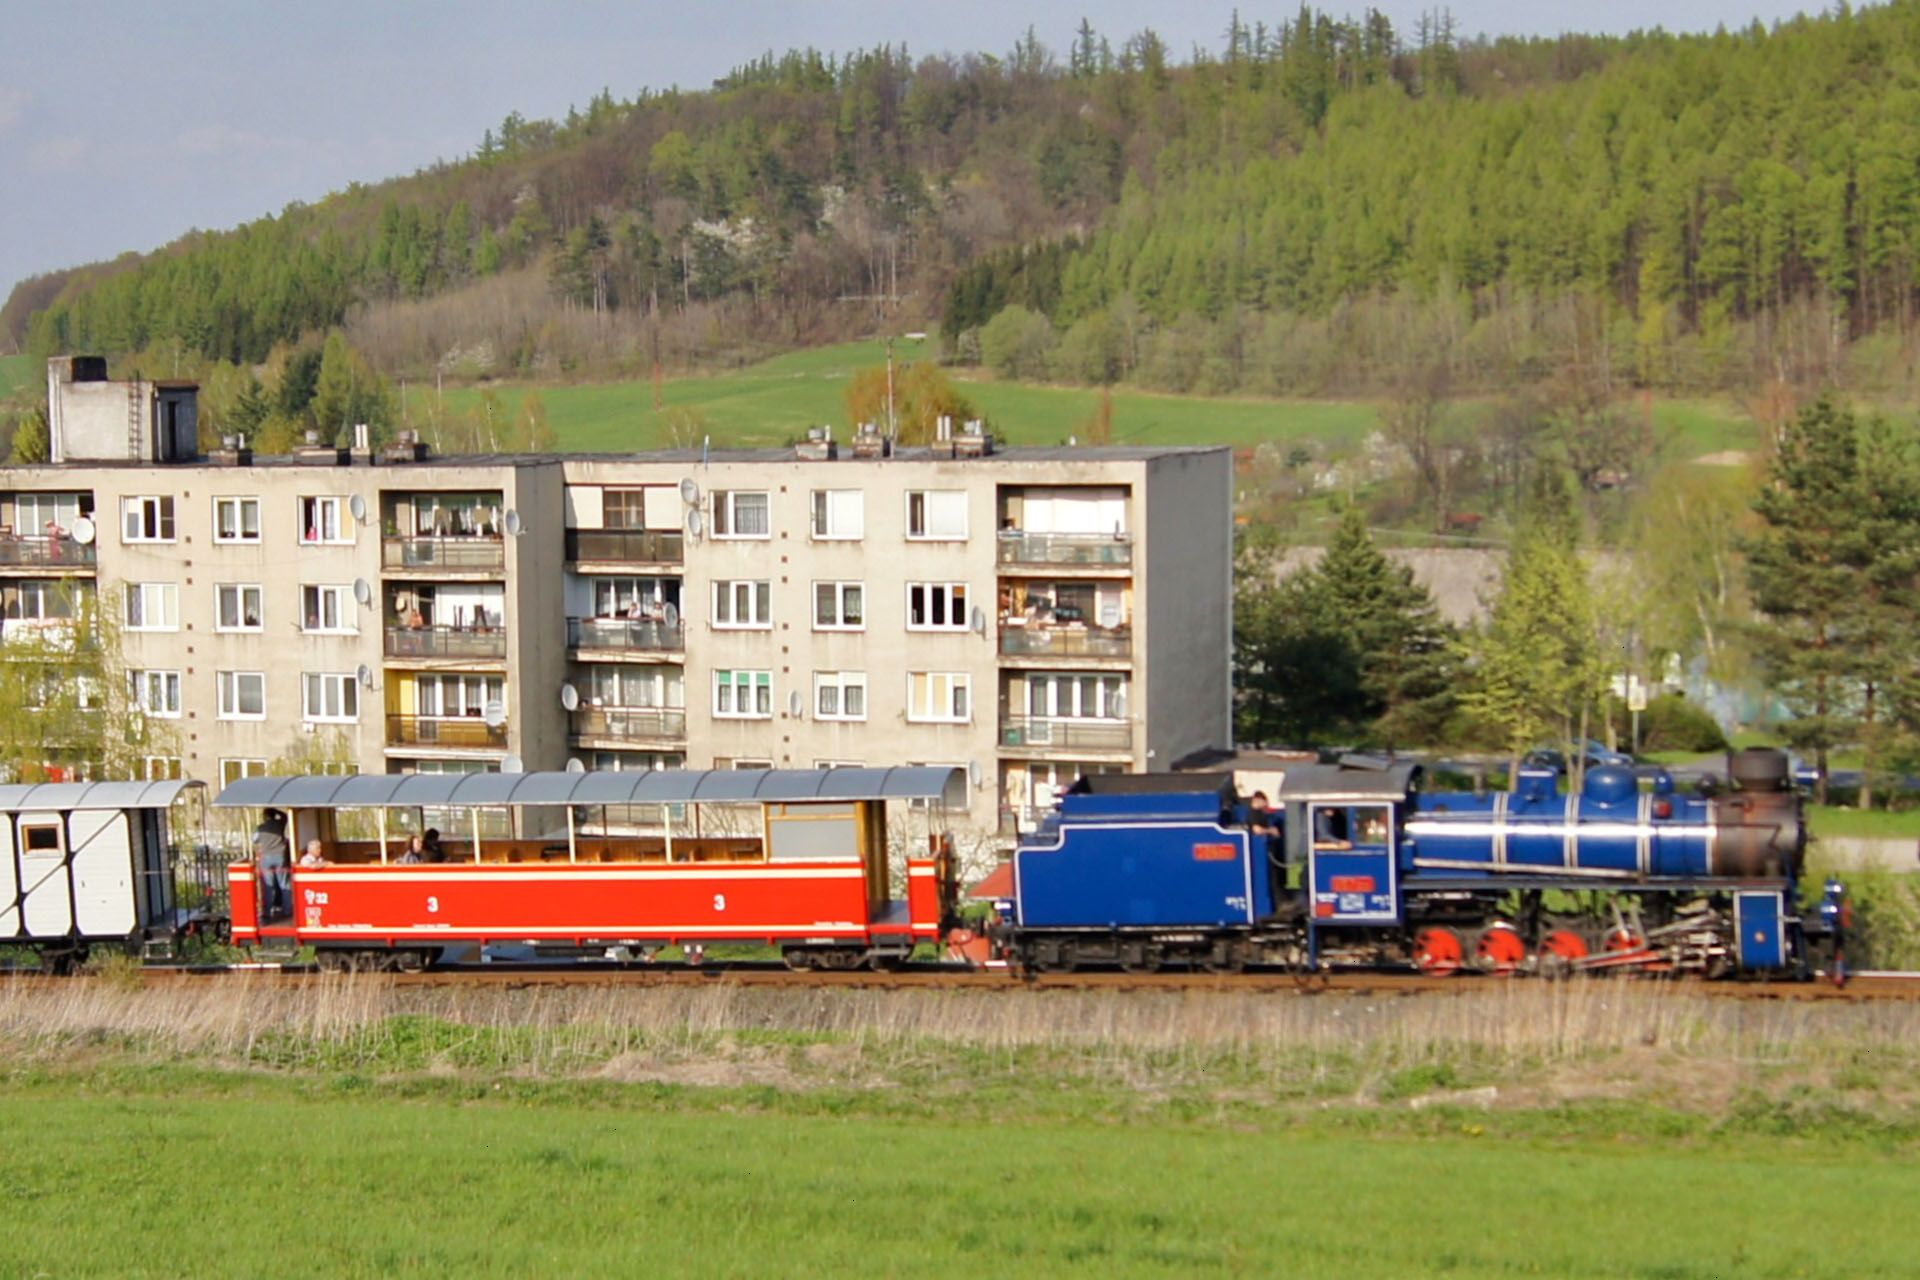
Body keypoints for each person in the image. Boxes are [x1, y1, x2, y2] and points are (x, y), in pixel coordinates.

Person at [251, 809, 290, 920]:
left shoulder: (261, 828)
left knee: (268, 886)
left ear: (265, 817)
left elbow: (254, 840)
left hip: (266, 858)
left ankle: (267, 912)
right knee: (284, 883)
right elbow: (285, 816)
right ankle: (287, 910)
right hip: (279, 856)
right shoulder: (279, 824)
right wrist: (277, 810)